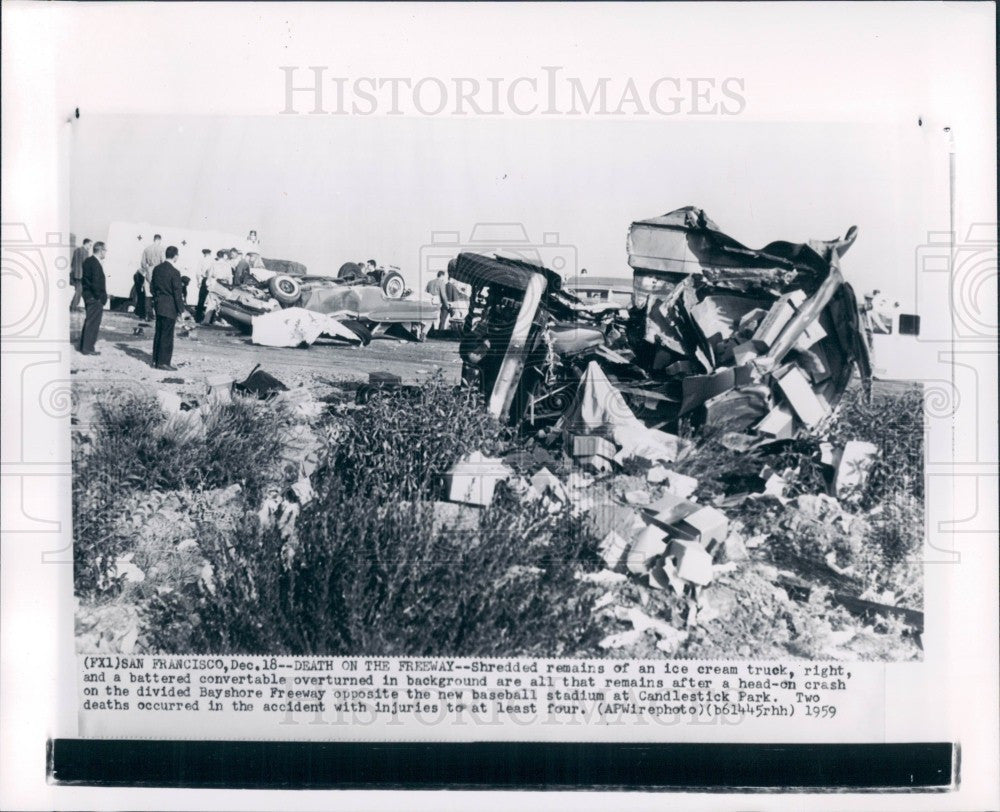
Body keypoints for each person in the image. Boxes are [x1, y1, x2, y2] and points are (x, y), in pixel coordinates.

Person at [150, 246, 190, 370]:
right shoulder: (175, 272)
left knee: (158, 333)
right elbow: (177, 293)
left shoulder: (157, 269)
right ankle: (164, 362)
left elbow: (152, 288)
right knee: (167, 335)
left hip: (159, 304)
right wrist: (181, 310)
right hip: (170, 306)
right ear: (175, 256)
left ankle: (155, 360)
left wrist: (157, 298)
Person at [78, 241, 107, 355]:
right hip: (94, 298)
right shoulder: (95, 263)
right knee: (93, 322)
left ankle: (83, 346)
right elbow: (96, 283)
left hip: (88, 295)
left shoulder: (88, 261)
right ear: (100, 250)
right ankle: (88, 348)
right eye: (105, 250)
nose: (105, 253)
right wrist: (99, 297)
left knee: (89, 321)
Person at [140, 234, 164, 317]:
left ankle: (148, 314)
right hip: (158, 272)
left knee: (148, 294)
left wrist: (147, 269)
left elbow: (143, 263)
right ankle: (157, 313)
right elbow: (163, 262)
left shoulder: (147, 249)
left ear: (154, 239)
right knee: (158, 293)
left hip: (149, 270)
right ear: (159, 240)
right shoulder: (162, 249)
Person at [69, 238, 92, 310]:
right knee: (79, 291)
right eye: (90, 245)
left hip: (75, 274)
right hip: (81, 275)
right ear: (86, 243)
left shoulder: (77, 250)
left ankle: (73, 306)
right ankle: (73, 307)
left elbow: (72, 263)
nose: (90, 247)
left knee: (79, 291)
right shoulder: (85, 252)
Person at [195, 248, 214, 322]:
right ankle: (210, 319)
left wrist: (198, 281)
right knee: (211, 300)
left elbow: (198, 272)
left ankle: (198, 317)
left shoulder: (202, 260)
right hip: (212, 280)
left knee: (201, 299)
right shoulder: (213, 261)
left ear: (204, 253)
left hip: (205, 279)